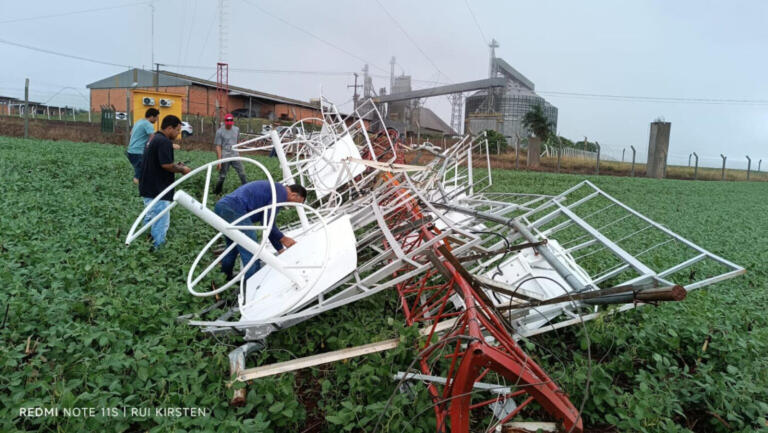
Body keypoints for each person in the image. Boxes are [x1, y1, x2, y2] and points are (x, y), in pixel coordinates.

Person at [214, 181, 307, 280]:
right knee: (250, 245)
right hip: (233, 207)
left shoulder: (277, 191)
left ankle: (223, 277)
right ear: (293, 195)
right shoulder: (281, 193)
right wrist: (283, 238)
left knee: (233, 246)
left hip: (224, 207)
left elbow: (268, 225)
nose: (293, 206)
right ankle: (252, 283)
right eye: (296, 203)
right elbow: (267, 222)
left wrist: (280, 249)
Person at [139, 115, 191, 250]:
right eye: (177, 130)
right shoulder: (164, 142)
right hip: (158, 189)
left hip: (148, 186)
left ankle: (143, 244)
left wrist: (175, 165)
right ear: (169, 128)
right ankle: (158, 250)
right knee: (161, 220)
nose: (178, 133)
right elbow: (166, 165)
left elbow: (160, 162)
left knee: (151, 216)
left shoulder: (154, 138)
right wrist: (182, 169)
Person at [213, 113, 247, 194]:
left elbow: (237, 142)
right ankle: (217, 192)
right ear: (225, 122)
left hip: (235, 155)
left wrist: (239, 155)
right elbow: (218, 146)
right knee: (222, 176)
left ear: (233, 122)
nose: (229, 123)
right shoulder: (220, 131)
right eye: (227, 121)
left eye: (230, 121)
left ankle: (247, 189)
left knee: (242, 173)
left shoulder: (236, 129)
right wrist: (219, 161)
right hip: (225, 155)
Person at [126, 108, 159, 184]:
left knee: (143, 170)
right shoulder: (148, 124)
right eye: (156, 117)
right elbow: (153, 137)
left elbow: (131, 133)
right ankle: (136, 189)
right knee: (140, 173)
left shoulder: (139, 122)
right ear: (151, 116)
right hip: (138, 152)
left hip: (131, 151)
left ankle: (141, 185)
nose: (156, 120)